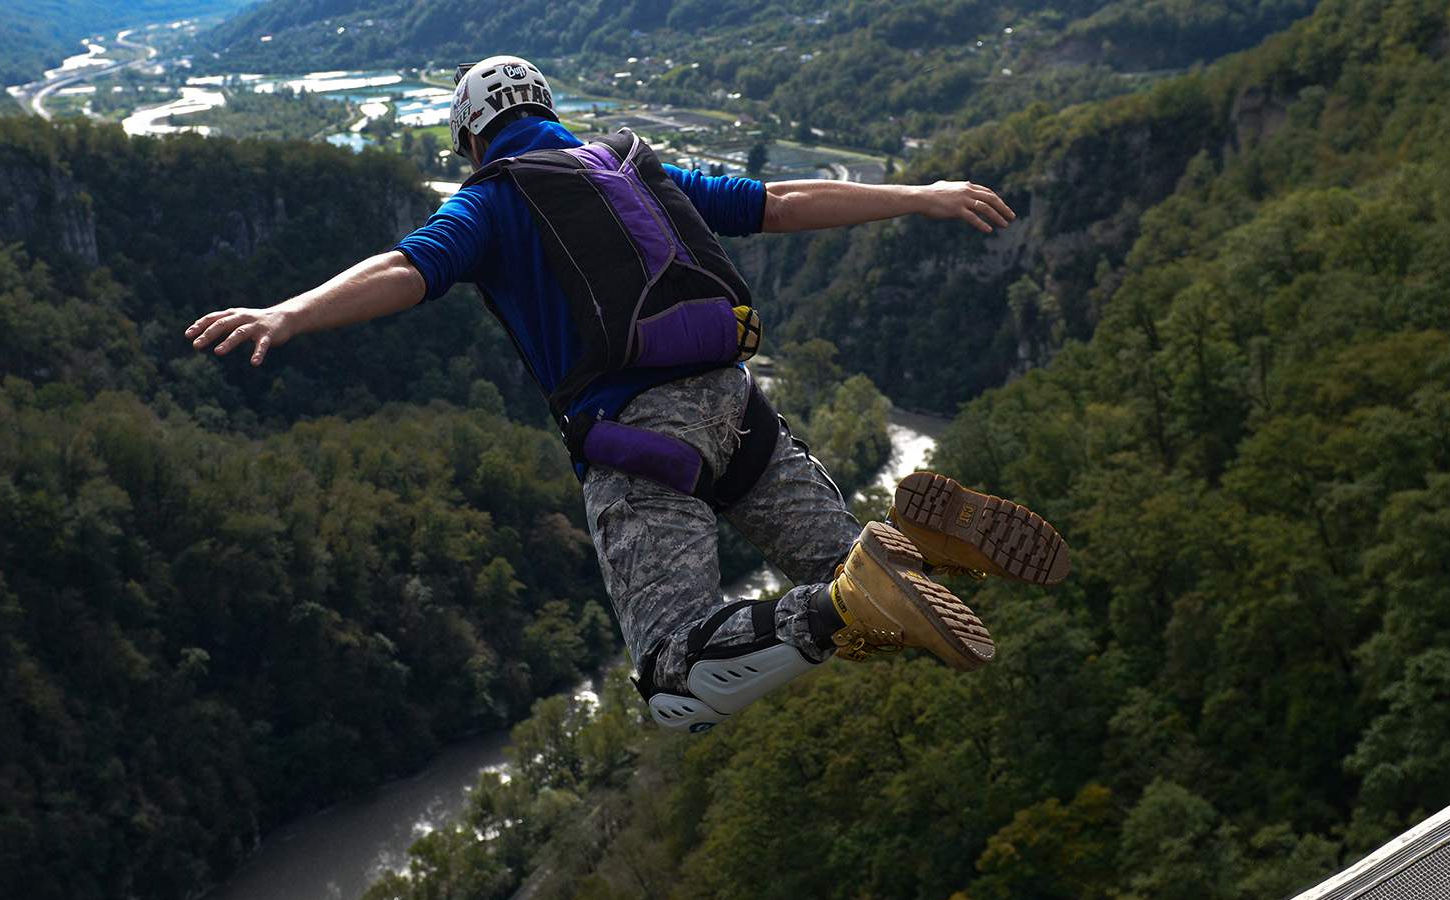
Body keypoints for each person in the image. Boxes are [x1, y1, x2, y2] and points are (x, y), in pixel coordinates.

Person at [186, 56, 1069, 733]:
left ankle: (851, 594)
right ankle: (903, 548)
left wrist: (290, 313)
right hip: (740, 406)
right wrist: (921, 194)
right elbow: (784, 201)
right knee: (867, 596)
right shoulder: (630, 166)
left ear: (470, 138)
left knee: (677, 680)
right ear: (547, 109)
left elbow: (405, 267)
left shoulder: (493, 200)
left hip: (642, 440)